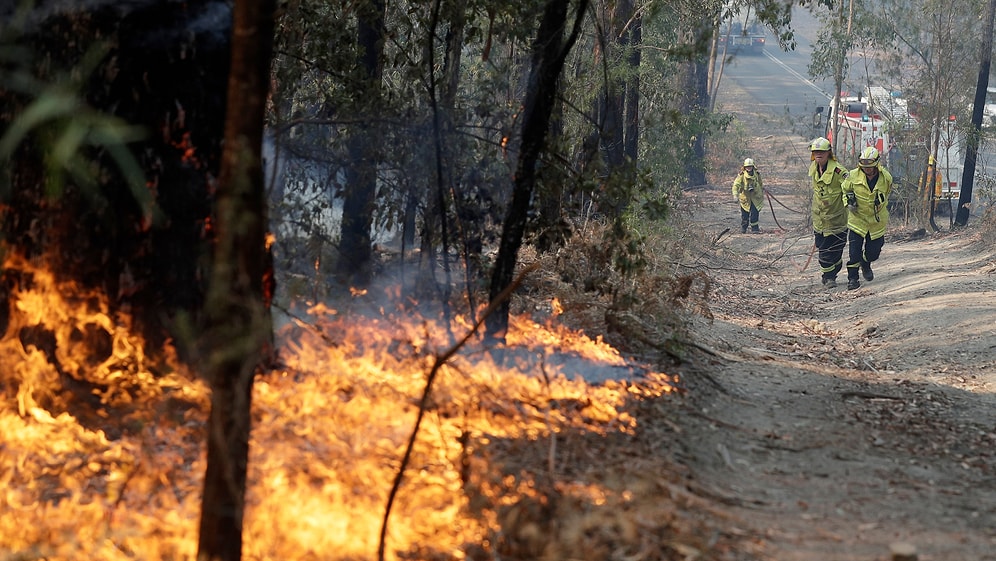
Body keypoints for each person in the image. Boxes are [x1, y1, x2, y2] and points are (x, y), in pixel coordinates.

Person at [841, 146, 893, 290]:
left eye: (869, 166)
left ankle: (866, 262)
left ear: (877, 163)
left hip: (876, 222)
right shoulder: (852, 176)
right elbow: (845, 190)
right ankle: (852, 279)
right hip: (857, 220)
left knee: (873, 252)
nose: (867, 169)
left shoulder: (886, 178)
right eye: (864, 166)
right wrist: (848, 202)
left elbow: (887, 194)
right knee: (854, 252)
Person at [808, 137, 848, 289]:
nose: (818, 154)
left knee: (837, 251)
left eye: (821, 152)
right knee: (824, 250)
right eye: (815, 152)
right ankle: (829, 277)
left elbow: (849, 187)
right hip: (820, 220)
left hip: (837, 220)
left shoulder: (839, 171)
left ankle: (833, 271)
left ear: (828, 153)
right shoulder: (813, 169)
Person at [732, 157, 764, 233]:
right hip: (745, 199)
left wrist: (761, 190)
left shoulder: (757, 174)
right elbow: (736, 185)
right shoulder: (741, 176)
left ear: (753, 166)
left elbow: (760, 183)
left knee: (755, 214)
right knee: (745, 215)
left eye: (750, 166)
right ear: (745, 167)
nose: (749, 168)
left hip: (756, 198)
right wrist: (735, 195)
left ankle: (755, 229)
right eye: (747, 167)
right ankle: (744, 228)